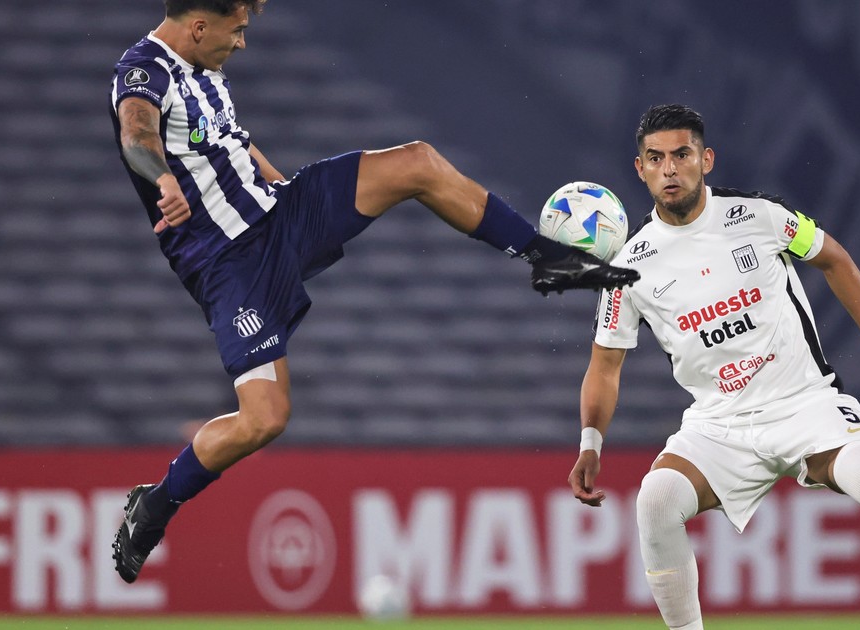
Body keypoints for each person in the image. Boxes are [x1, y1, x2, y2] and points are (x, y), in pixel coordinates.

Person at [108, 0, 639, 584]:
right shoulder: (143, 71)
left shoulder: (205, 67)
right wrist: (161, 178)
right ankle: (155, 505)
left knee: (417, 162)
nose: (242, 43)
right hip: (230, 264)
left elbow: (230, 142)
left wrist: (283, 185)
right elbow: (137, 132)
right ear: (198, 26)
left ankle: (545, 257)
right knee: (265, 418)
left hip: (281, 215)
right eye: (236, 31)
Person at [567, 104, 860, 630]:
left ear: (706, 159)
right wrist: (590, 443)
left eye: (682, 154)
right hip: (719, 425)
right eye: (656, 159)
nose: (670, 169)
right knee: (655, 500)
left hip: (804, 405)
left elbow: (834, 259)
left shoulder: (759, 216)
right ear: (640, 169)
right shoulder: (627, 268)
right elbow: (605, 365)